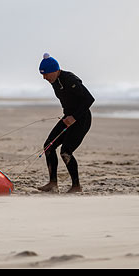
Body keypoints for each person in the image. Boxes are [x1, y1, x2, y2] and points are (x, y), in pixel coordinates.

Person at [37, 53, 95, 193]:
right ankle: (53, 183)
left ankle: (76, 186)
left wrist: (74, 117)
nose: (44, 78)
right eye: (42, 75)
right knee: (48, 146)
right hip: (68, 117)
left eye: (46, 74)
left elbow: (89, 99)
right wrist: (67, 116)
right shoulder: (55, 81)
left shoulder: (70, 79)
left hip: (82, 119)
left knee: (66, 152)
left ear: (55, 70)